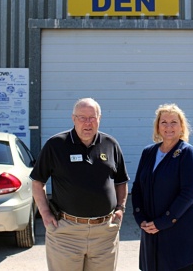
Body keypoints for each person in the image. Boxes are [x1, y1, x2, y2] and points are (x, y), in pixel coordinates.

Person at [30, 97, 129, 271]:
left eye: (92, 117)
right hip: (67, 233)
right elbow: (38, 181)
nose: (87, 123)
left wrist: (121, 208)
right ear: (73, 118)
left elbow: (121, 181)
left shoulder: (110, 144)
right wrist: (45, 212)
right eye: (82, 117)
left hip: (104, 234)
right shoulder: (56, 145)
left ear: (99, 119)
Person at [131, 103, 193, 271]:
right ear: (158, 126)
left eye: (174, 122)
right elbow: (137, 188)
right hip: (151, 227)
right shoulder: (148, 152)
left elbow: (188, 193)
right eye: (163, 122)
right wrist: (140, 218)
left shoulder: (187, 152)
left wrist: (164, 221)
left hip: (181, 227)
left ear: (181, 127)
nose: (168, 127)